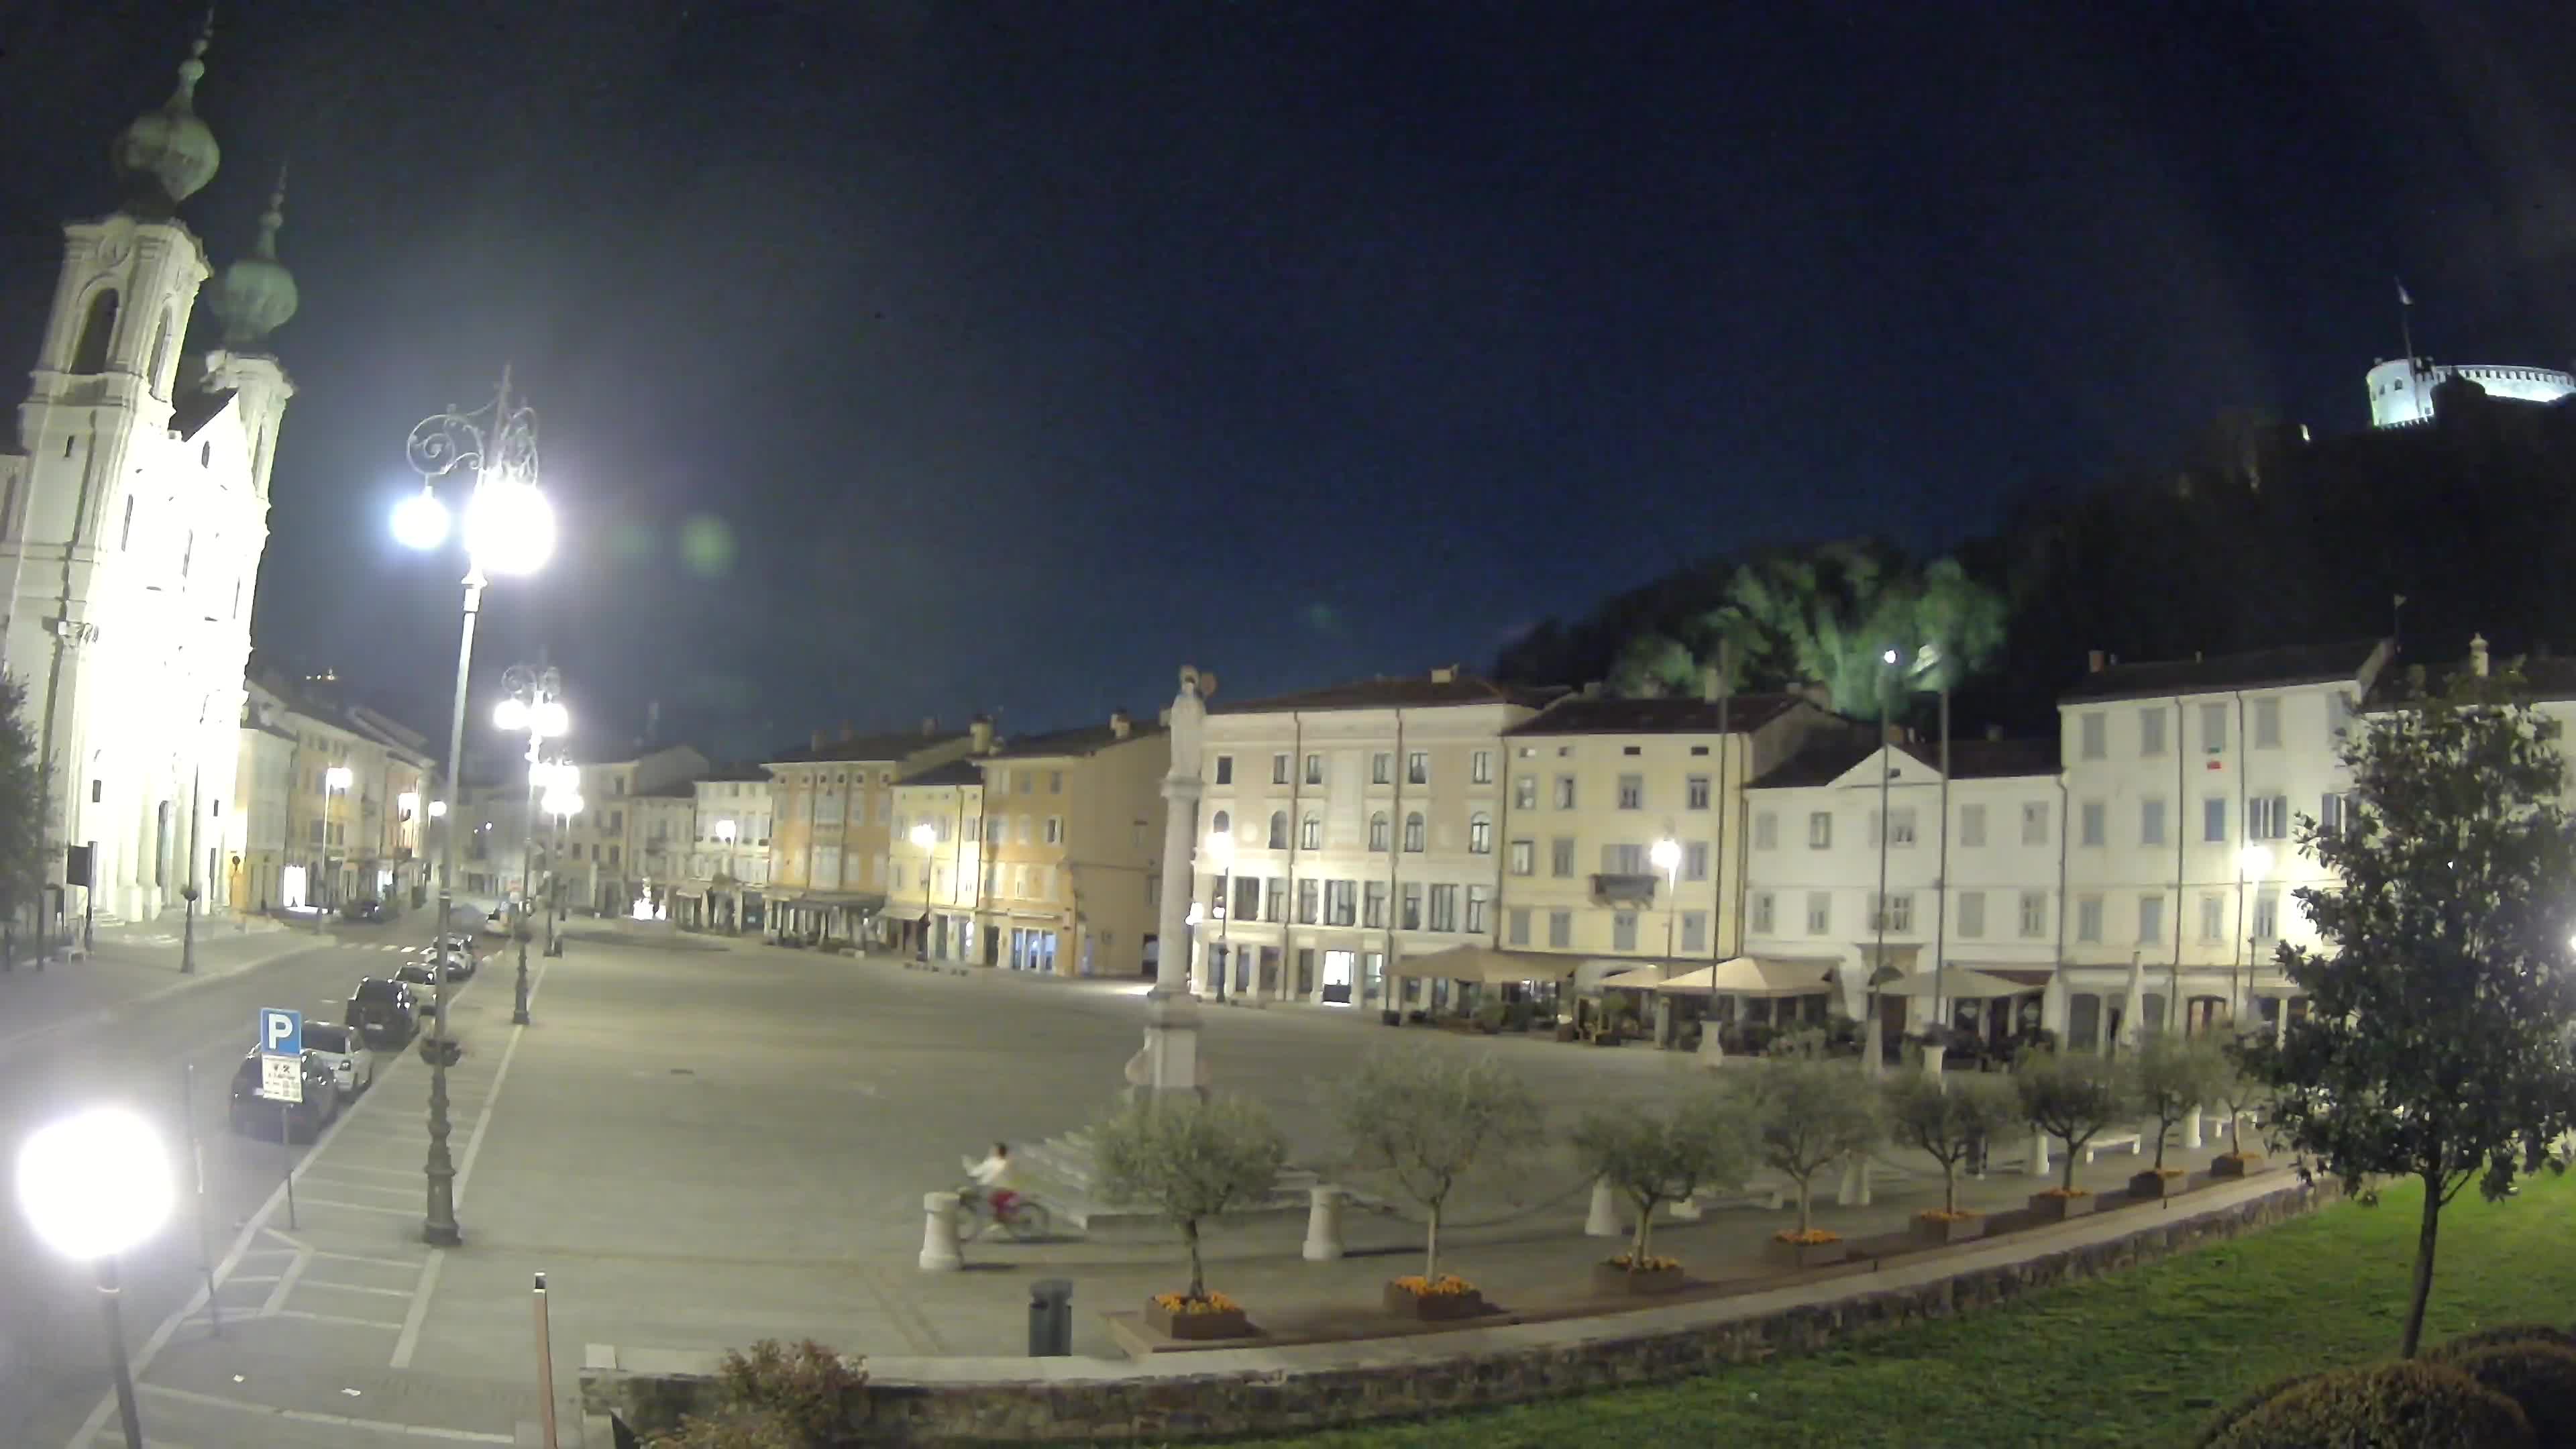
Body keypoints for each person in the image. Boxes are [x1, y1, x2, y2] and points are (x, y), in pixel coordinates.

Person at [963, 1141, 1019, 1220]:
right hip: (1010, 1191)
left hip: (999, 1192)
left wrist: (971, 1173)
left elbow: (977, 1172)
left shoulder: (992, 1162)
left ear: (996, 1152)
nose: (991, 1151)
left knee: (985, 1199)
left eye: (993, 1150)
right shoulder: (1007, 1162)